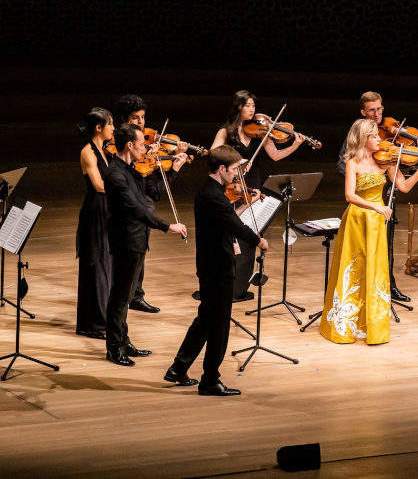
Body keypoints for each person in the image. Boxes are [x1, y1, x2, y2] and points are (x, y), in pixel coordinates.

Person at [164, 145, 269, 396]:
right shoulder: (212, 195)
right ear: (221, 169)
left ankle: (178, 368)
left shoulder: (212, 191)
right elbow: (234, 225)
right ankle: (210, 380)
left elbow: (228, 220)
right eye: (233, 170)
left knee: (206, 319)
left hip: (212, 263)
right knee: (219, 325)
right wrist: (259, 240)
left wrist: (245, 206)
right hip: (217, 266)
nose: (236, 175)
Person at [320, 119, 418, 344]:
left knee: (374, 269)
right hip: (357, 218)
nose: (380, 140)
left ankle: (370, 325)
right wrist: (377, 206)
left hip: (376, 223)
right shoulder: (353, 161)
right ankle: (345, 324)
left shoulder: (387, 161)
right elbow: (350, 196)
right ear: (362, 139)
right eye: (374, 137)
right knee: (352, 267)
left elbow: (403, 187)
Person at [104, 123, 187, 366]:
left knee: (128, 293)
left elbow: (154, 195)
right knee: (120, 295)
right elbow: (136, 208)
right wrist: (167, 226)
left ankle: (123, 341)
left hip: (138, 239)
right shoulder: (116, 174)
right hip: (126, 239)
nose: (146, 148)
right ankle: (113, 348)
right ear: (130, 145)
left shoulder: (133, 169)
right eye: (142, 144)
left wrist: (173, 171)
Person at [210, 90, 304, 303]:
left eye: (253, 105)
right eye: (248, 105)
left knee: (249, 235)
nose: (252, 109)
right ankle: (223, 284)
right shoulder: (227, 131)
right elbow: (213, 154)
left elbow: (275, 155)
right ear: (239, 107)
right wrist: (237, 160)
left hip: (253, 186)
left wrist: (295, 144)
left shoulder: (261, 132)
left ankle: (240, 287)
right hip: (231, 186)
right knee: (229, 235)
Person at [335, 91, 418, 304]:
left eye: (380, 109)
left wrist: (417, 156)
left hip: (385, 200)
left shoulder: (388, 140)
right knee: (360, 253)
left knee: (385, 248)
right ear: (363, 112)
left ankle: (388, 287)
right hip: (362, 200)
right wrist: (364, 177)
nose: (377, 114)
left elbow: (399, 176)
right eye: (372, 110)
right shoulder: (357, 138)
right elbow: (344, 164)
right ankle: (358, 294)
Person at [115, 94, 189, 314]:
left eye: (143, 118)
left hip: (144, 205)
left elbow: (153, 192)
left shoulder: (145, 150)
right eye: (135, 118)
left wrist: (171, 165)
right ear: (124, 119)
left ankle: (136, 295)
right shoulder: (120, 150)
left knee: (141, 250)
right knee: (131, 255)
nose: (141, 122)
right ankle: (125, 297)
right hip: (128, 213)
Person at [75, 108, 114, 340]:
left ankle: (100, 320)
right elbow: (99, 185)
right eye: (110, 124)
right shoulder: (87, 152)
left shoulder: (105, 149)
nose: (113, 128)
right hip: (94, 211)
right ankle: (94, 324)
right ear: (99, 127)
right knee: (96, 266)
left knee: (104, 265)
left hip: (105, 209)